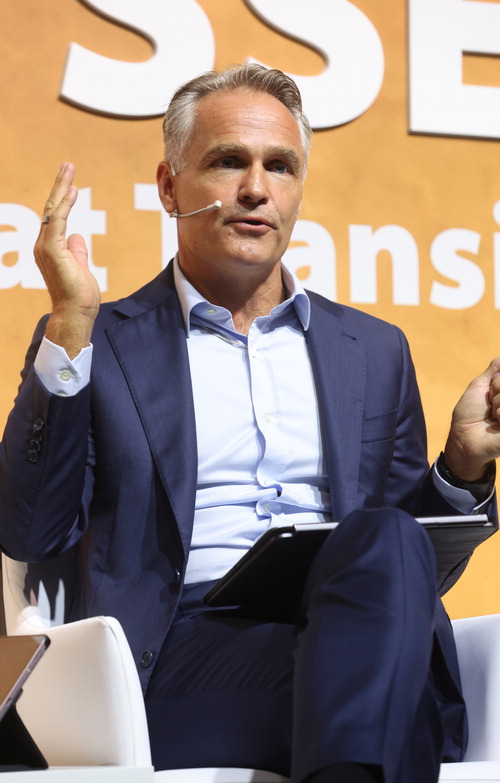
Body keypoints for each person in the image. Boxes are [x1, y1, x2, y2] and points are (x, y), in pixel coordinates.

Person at [1, 64, 500, 783]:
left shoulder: (373, 350)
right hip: (182, 658)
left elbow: (412, 570)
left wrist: (461, 467)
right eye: (229, 161)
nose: (257, 189)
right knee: (394, 697)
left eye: (281, 166)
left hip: (350, 623)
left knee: (389, 541)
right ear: (169, 187)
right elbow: (30, 532)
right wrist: (70, 325)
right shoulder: (98, 343)